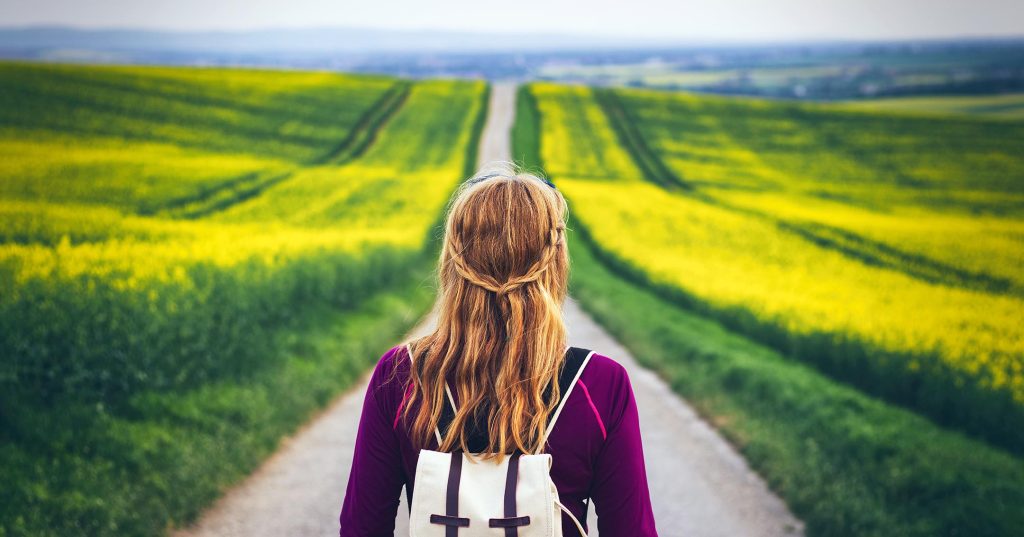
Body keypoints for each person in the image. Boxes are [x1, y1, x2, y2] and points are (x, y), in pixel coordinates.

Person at [338, 161, 658, 536]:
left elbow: (361, 528)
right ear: (554, 263)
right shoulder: (600, 385)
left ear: (452, 263)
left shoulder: (401, 377)